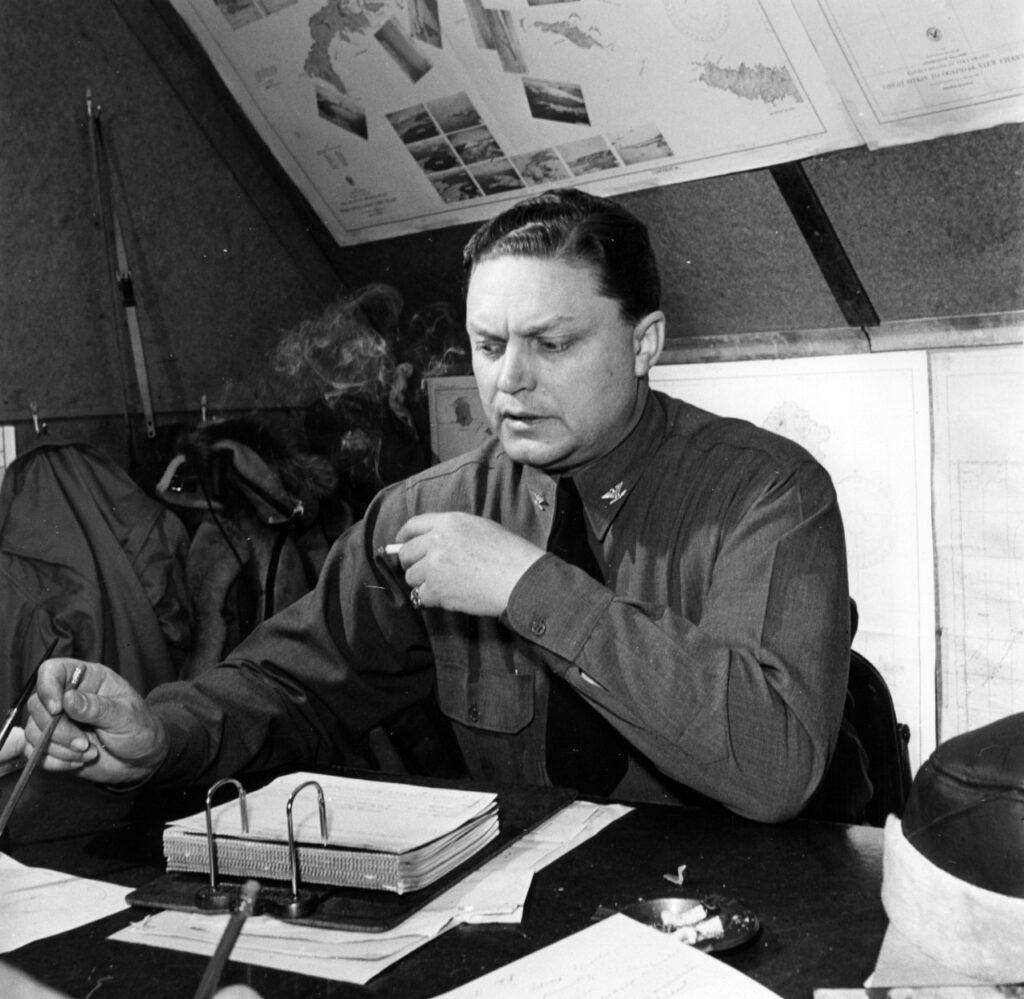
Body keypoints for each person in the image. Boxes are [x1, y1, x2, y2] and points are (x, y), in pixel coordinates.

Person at [23, 188, 865, 823]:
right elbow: (293, 684)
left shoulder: (770, 494)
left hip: (738, 919)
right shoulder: (430, 511)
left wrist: (528, 585)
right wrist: (161, 733)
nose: (511, 380)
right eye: (490, 345)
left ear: (645, 343)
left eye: (553, 343)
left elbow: (773, 763)